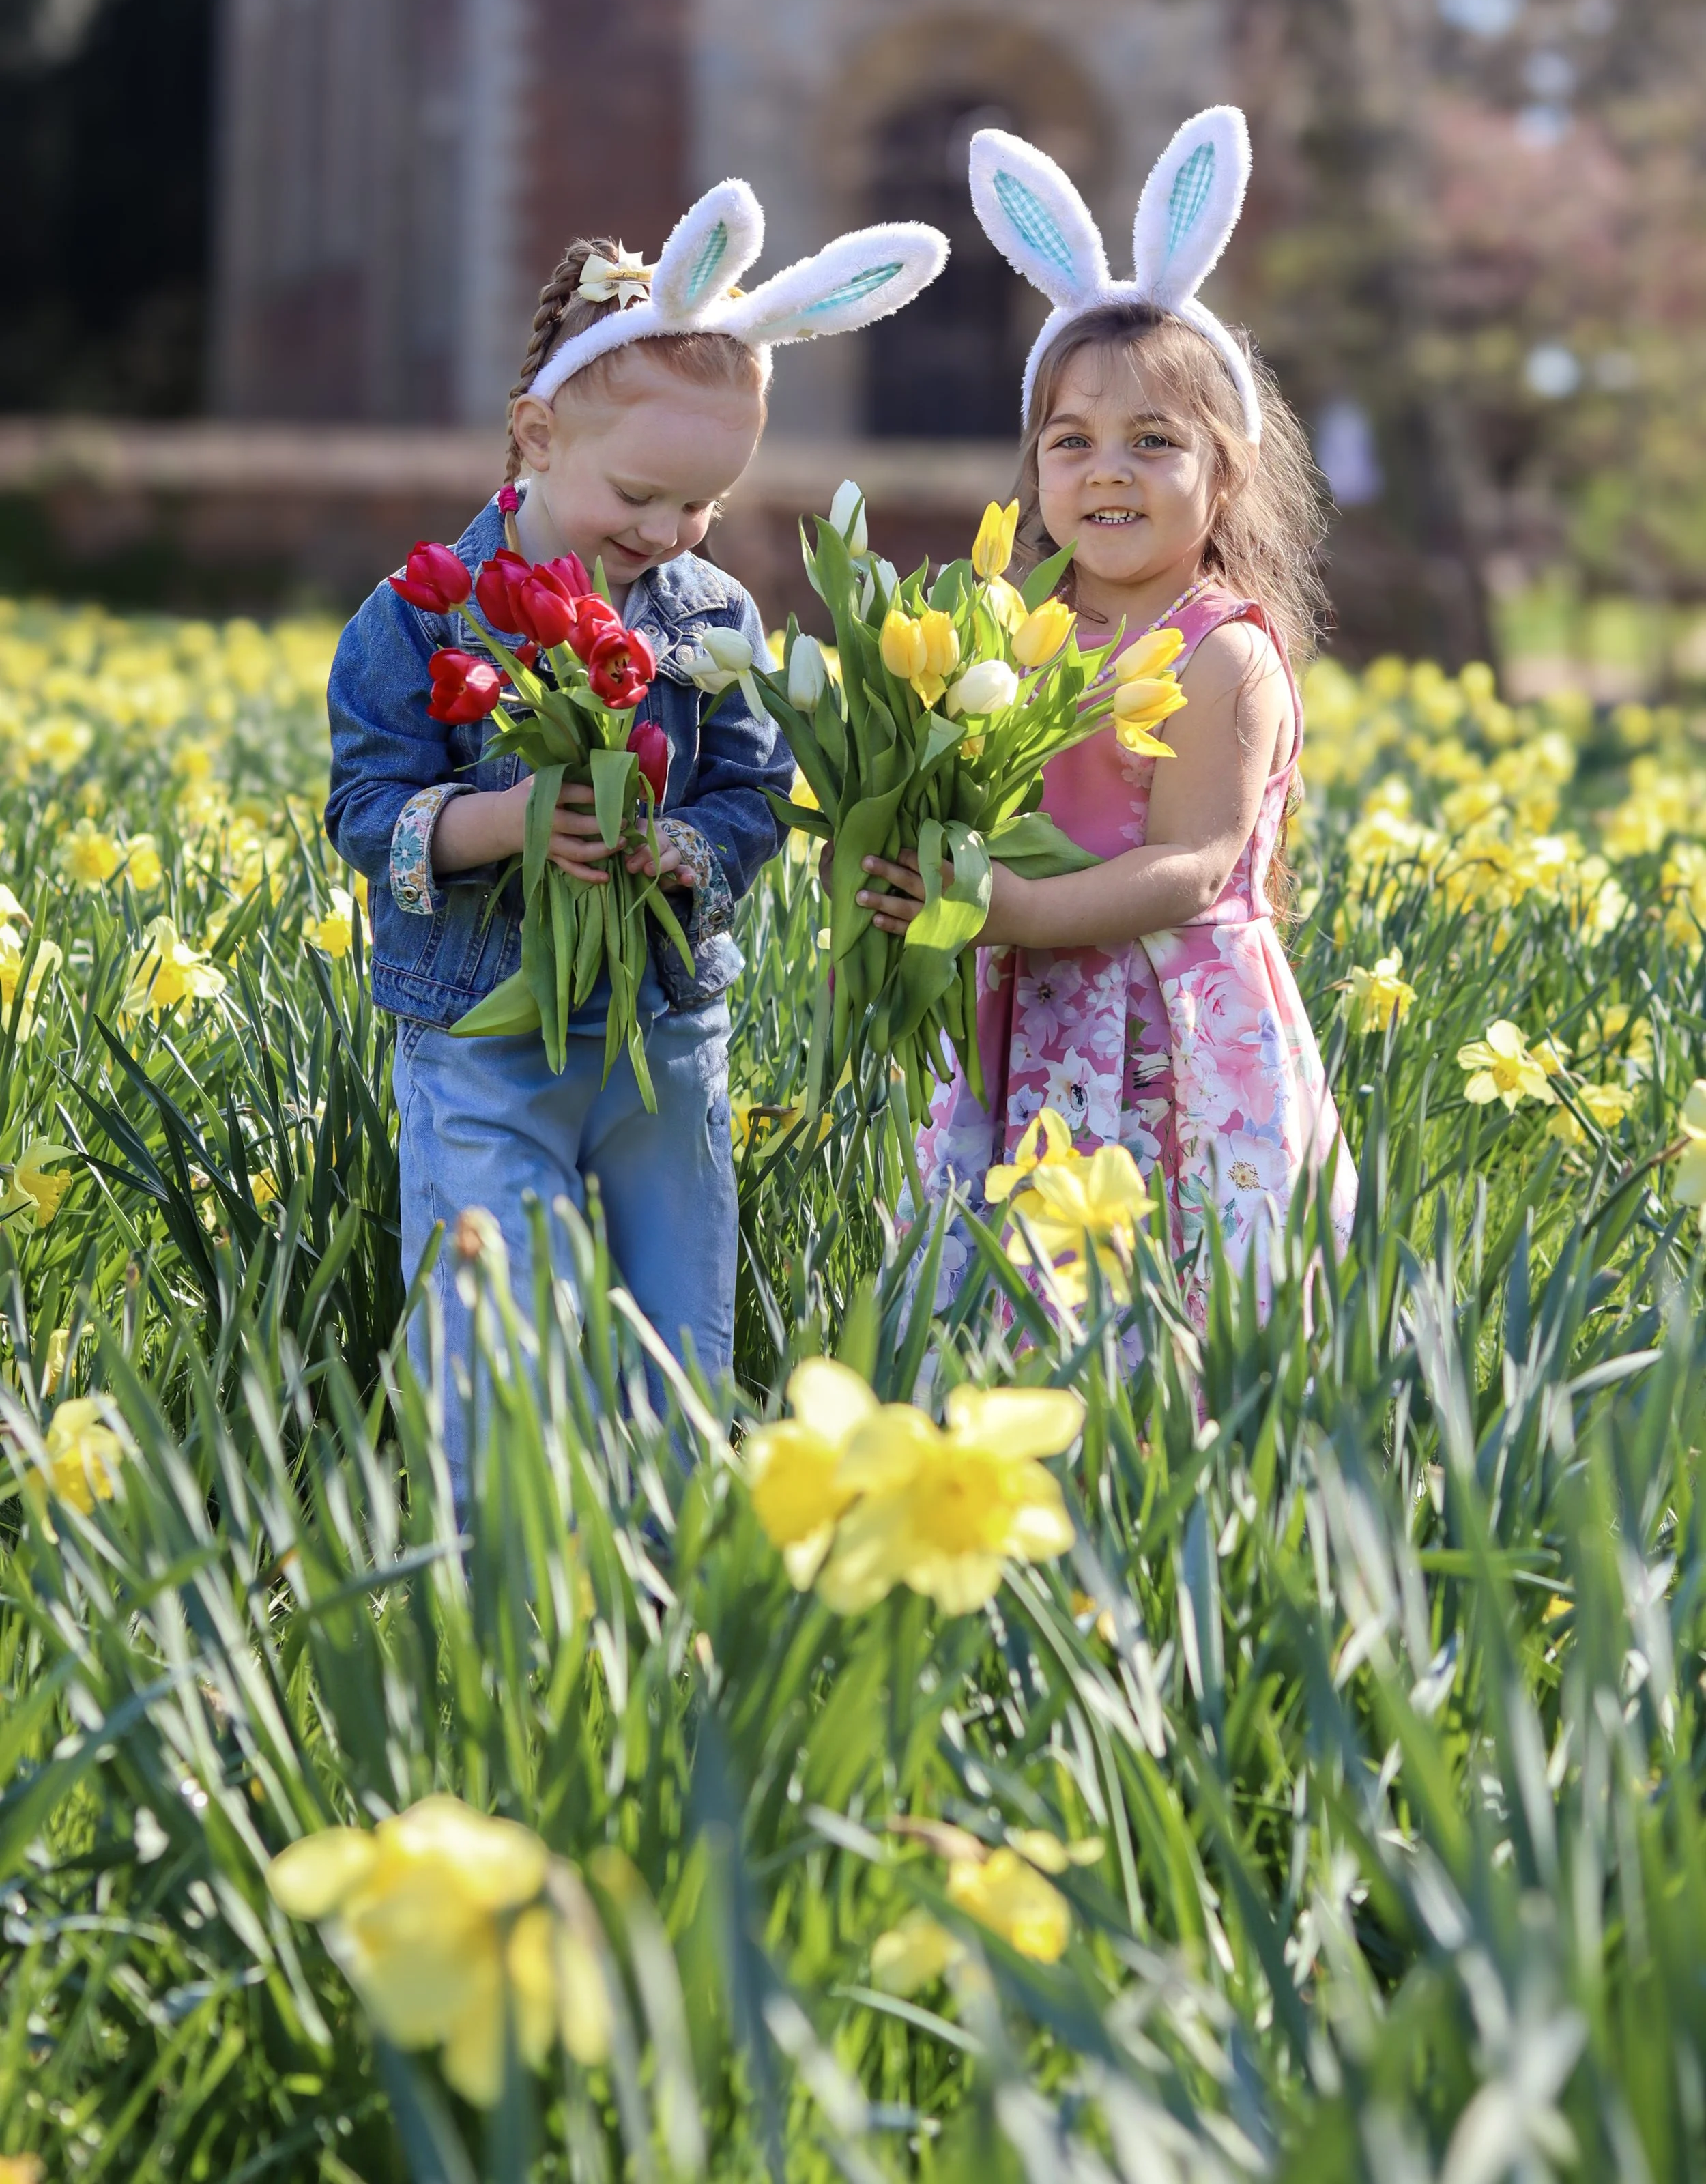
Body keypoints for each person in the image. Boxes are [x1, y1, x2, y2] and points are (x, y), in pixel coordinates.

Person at [326, 178, 946, 1484]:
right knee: (499, 1342)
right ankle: (507, 1605)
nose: (666, 534)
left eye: (702, 506)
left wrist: (698, 851)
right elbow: (364, 812)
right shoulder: (418, 617)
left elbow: (755, 787)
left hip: (666, 1036)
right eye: (642, 496)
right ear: (536, 434)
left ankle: (663, 1596)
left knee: (679, 1344)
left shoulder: (711, 609)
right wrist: (506, 820)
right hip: (484, 1042)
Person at [857, 111, 1355, 1318]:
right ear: (1034, 472)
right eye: (1071, 441)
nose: (1108, 470)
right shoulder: (1008, 628)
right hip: (1032, 1019)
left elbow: (1193, 863)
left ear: (1225, 472)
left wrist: (1018, 909)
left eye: (1153, 441)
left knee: (1172, 1295)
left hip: (1169, 1027)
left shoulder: (1223, 651)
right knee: (1022, 1305)